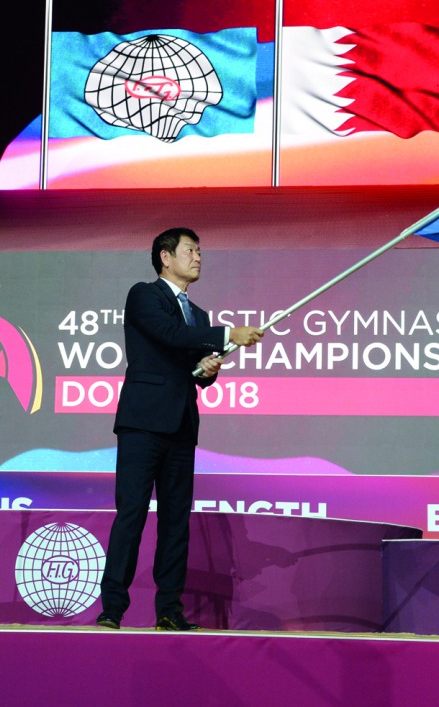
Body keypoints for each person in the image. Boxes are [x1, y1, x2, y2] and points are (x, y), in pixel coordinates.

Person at [97, 228, 264, 631]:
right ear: (165, 257)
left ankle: (169, 610)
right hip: (142, 425)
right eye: (191, 250)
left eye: (200, 251)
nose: (198, 257)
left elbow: (197, 373)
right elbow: (169, 335)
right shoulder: (144, 295)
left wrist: (207, 369)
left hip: (181, 426)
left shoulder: (199, 315)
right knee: (132, 515)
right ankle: (112, 609)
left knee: (176, 522)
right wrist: (229, 334)